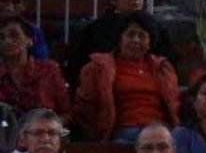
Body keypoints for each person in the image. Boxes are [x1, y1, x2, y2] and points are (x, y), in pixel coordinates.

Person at [72, 11, 181, 142]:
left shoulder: (163, 68)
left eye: (142, 36)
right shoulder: (98, 67)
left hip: (160, 131)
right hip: (124, 133)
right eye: (130, 35)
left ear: (150, 42)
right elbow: (85, 107)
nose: (136, 40)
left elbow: (175, 104)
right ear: (120, 38)